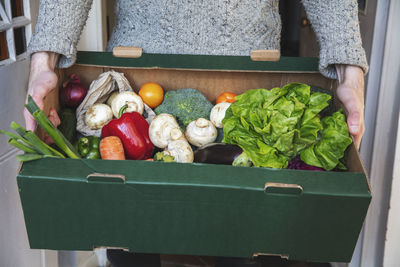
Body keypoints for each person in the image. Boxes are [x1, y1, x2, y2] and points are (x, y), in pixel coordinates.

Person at [24, 0, 367, 266]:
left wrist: (350, 70)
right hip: (135, 67)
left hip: (250, 71)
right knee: (128, 236)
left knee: (247, 244)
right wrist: (44, 61)